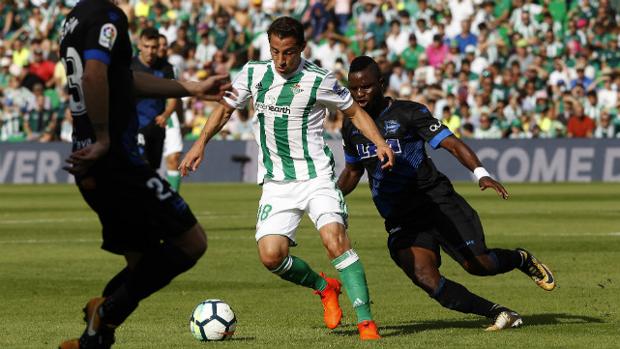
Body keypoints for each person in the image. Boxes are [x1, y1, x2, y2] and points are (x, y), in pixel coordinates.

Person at [180, 16, 395, 340]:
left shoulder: (319, 79)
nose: (282, 59)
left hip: (317, 177)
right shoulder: (253, 73)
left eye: (289, 52)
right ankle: (325, 288)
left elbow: (354, 112)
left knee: (334, 240)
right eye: (276, 51)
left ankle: (366, 324)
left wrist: (379, 142)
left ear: (302, 49)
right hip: (277, 183)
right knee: (271, 256)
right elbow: (224, 109)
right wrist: (200, 143)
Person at [338, 56, 556, 331]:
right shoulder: (350, 126)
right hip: (401, 217)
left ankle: (520, 259)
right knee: (425, 276)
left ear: (381, 84)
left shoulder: (409, 113)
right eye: (354, 89)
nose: (359, 95)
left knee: (480, 265)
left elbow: (451, 144)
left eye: (366, 87)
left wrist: (481, 173)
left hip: (436, 202)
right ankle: (498, 312)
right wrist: (329, 196)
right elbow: (353, 171)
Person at [57, 0, 230, 347]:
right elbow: (93, 75)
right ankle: (104, 313)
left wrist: (193, 88)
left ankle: (93, 337)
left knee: (140, 265)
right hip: (117, 160)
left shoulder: (73, 19)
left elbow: (123, 80)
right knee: (192, 242)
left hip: (90, 162)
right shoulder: (109, 16)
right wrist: (105, 136)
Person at [132, 27, 177, 171]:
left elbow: (172, 96)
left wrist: (166, 114)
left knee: (152, 170)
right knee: (141, 167)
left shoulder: (166, 68)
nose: (150, 51)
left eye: (154, 47)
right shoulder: (129, 66)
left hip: (157, 126)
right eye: (146, 46)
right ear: (139, 45)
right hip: (135, 125)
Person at [158, 33, 184, 192]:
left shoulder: (170, 69)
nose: (161, 48)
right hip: (147, 116)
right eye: (158, 45)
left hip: (169, 116)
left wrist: (173, 116)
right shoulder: (138, 67)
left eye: (164, 45)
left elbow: (175, 95)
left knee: (174, 158)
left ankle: (173, 199)